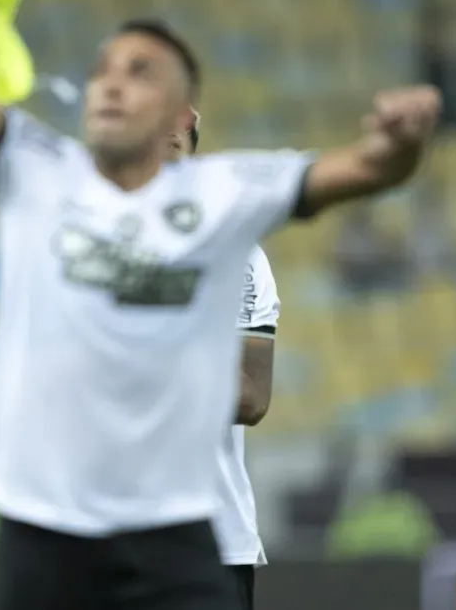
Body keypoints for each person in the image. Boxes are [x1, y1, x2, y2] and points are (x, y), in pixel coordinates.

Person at [0, 0, 441, 608]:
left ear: (182, 112)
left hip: (185, 532)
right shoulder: (35, 172)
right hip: (47, 530)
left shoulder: (226, 206)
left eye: (141, 71)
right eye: (103, 71)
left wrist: (405, 144)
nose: (113, 84)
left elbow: (367, 168)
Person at [173, 123, 277, 610]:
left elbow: (250, 398)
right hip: (97, 529)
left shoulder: (238, 256)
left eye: (172, 146)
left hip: (210, 540)